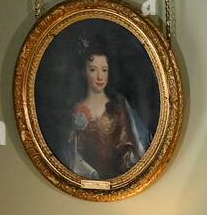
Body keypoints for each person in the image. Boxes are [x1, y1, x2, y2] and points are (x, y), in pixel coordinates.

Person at [61, 37, 148, 179]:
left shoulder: (119, 106)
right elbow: (72, 157)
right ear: (84, 72)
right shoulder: (76, 110)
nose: (100, 77)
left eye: (104, 70)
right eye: (93, 70)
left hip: (120, 180)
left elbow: (134, 147)